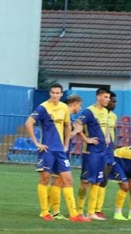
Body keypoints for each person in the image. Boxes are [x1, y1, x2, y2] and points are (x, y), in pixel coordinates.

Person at [25, 85, 89, 222]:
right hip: (47, 149)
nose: (55, 95)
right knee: (45, 179)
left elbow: (67, 125)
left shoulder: (64, 108)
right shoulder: (43, 107)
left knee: (68, 180)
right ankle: (45, 212)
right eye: (53, 93)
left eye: (58, 93)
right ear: (50, 93)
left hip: (60, 151)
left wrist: (65, 144)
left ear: (61, 94)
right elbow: (29, 123)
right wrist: (37, 143)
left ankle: (74, 214)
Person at [73, 88, 110, 220]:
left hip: (102, 151)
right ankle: (79, 211)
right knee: (85, 182)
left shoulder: (105, 112)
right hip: (90, 152)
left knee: (97, 182)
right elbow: (77, 124)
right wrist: (86, 139)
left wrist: (107, 137)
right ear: (98, 97)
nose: (108, 100)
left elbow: (106, 126)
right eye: (105, 97)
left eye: (108, 97)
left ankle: (91, 212)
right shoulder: (88, 111)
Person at [91, 91, 118, 218]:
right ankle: (91, 209)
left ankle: (98, 209)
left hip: (109, 151)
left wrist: (113, 147)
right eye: (112, 101)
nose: (114, 103)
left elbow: (113, 131)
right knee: (97, 179)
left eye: (115, 101)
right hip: (99, 150)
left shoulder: (113, 116)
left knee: (104, 180)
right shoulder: (96, 113)